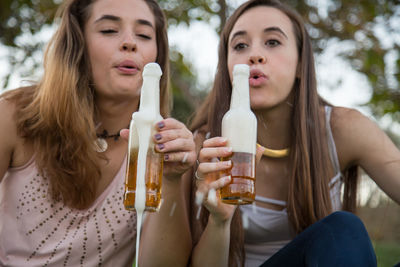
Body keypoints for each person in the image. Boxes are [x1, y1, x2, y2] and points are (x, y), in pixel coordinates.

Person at [187, 0, 400, 266]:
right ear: (227, 67)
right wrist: (219, 221)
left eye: (273, 42)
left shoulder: (341, 129)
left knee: (342, 230)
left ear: (301, 64)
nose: (254, 55)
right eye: (240, 45)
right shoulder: (205, 147)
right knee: (341, 229)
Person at [0, 0, 195, 266]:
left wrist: (172, 181)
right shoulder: (12, 115)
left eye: (144, 35)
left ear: (157, 57)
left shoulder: (166, 145)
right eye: (109, 30)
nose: (130, 43)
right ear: (77, 44)